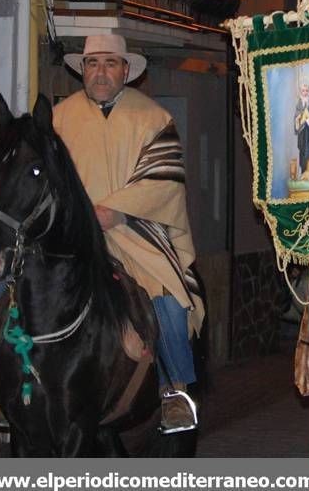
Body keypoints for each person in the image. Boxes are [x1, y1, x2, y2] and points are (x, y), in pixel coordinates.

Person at [56, 34, 203, 432]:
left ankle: (174, 391)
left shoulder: (154, 119)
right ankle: (13, 390)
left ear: (125, 70)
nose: (100, 72)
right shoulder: (59, 118)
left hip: (135, 237)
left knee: (170, 302)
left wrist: (115, 212)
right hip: (72, 238)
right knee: (13, 291)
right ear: (82, 70)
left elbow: (164, 180)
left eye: (109, 63)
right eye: (92, 64)